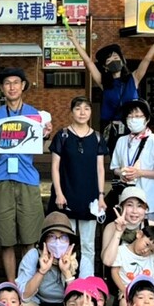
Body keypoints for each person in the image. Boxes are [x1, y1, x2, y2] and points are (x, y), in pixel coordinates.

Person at [0, 67, 49, 283]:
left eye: (16, 82)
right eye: (7, 83)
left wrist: (46, 134)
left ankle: (26, 282)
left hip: (28, 178)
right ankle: (11, 284)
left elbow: (42, 145)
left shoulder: (35, 115)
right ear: (2, 88)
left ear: (23, 86)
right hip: (1, 178)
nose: (11, 87)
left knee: (30, 236)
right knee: (6, 238)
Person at [66, 28, 154, 129]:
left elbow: (147, 59)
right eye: (109, 60)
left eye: (116, 58)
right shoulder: (104, 83)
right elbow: (88, 62)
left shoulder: (134, 78)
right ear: (105, 67)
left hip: (132, 126)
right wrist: (74, 41)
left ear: (122, 61)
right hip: (111, 128)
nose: (114, 61)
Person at [50, 96, 109, 266]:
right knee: (64, 244)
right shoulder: (62, 135)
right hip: (66, 196)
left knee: (88, 244)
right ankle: (67, 281)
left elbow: (100, 168)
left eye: (86, 108)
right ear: (71, 112)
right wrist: (59, 193)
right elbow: (55, 167)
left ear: (91, 112)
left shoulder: (97, 138)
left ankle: (86, 282)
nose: (82, 112)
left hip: (90, 197)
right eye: (78, 108)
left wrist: (101, 195)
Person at [17, 211, 94, 306]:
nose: (57, 243)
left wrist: (67, 273)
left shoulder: (82, 260)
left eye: (63, 237)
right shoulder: (33, 256)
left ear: (70, 241)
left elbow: (86, 298)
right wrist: (41, 271)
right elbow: (23, 295)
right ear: (44, 242)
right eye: (52, 237)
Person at [108, 99, 154, 221]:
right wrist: (122, 173)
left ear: (147, 119)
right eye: (130, 116)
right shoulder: (121, 141)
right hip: (127, 199)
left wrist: (140, 173)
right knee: (126, 236)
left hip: (150, 199)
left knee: (148, 237)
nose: (134, 119)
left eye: (138, 116)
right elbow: (114, 168)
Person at [100, 186, 151, 268]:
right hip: (118, 276)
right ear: (121, 207)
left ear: (146, 209)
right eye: (130, 205)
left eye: (140, 206)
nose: (135, 211)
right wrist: (118, 231)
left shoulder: (150, 225)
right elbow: (107, 261)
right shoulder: (111, 227)